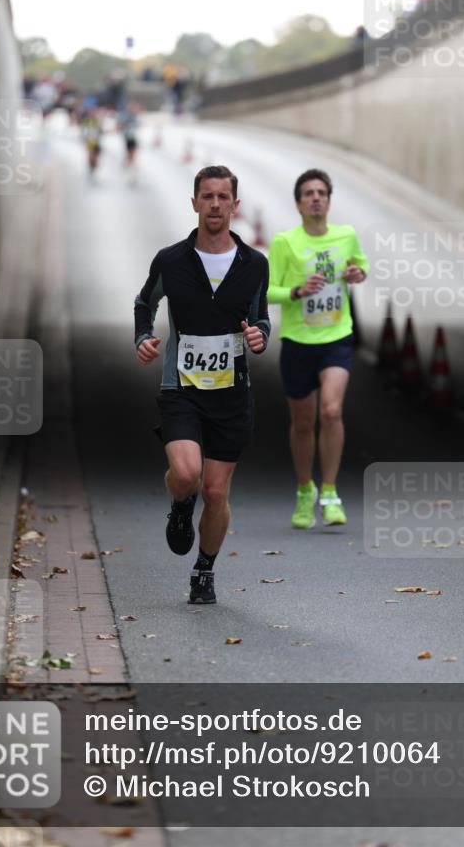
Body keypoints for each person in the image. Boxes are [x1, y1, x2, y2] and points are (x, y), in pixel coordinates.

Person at [134, 165, 270, 604]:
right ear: (194, 203)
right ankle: (178, 506)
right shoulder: (171, 261)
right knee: (188, 475)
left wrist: (259, 336)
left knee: (215, 490)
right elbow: (144, 302)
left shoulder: (254, 264)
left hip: (231, 394)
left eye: (222, 197)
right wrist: (142, 337)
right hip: (182, 389)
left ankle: (204, 570)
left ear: (235, 205)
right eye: (206, 196)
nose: (215, 204)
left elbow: (261, 317)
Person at [267, 168, 368, 529]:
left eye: (321, 192)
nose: (315, 198)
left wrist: (358, 274)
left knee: (330, 411)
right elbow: (267, 290)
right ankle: (304, 489)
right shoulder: (284, 242)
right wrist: (296, 291)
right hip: (297, 341)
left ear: (328, 200)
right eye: (308, 193)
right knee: (302, 422)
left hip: (336, 339)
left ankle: (329, 491)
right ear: (298, 203)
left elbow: (360, 265)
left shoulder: (346, 235)